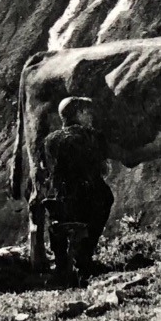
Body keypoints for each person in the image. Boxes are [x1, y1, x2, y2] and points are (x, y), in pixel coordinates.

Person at [36, 97, 114, 286]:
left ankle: (62, 263)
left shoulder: (49, 140)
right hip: (87, 200)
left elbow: (44, 167)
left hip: (59, 200)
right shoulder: (93, 136)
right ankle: (83, 257)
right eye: (87, 112)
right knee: (106, 197)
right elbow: (104, 169)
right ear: (79, 114)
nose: (90, 116)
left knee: (57, 216)